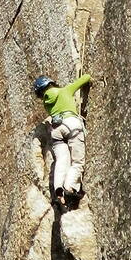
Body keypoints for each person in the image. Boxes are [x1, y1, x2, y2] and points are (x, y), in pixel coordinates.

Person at [33, 73, 92, 210]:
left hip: (56, 130)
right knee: (77, 161)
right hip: (71, 124)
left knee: (62, 160)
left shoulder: (46, 103)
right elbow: (86, 78)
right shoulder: (65, 90)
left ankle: (58, 189)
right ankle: (70, 187)